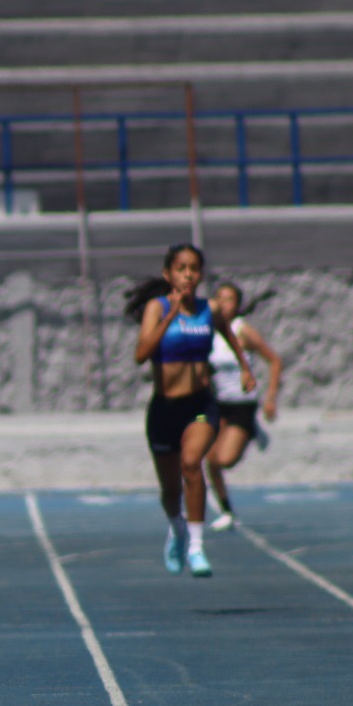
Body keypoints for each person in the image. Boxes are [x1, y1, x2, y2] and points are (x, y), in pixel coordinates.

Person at [125, 243, 252, 578]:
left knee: (192, 462)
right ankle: (178, 529)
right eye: (181, 268)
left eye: (194, 268)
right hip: (164, 408)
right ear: (169, 274)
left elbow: (230, 332)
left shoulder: (209, 310)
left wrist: (245, 368)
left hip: (198, 405)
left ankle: (196, 545)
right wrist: (170, 314)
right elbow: (141, 354)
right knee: (170, 491)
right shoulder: (157, 307)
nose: (188, 274)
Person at [204, 282, 283, 531]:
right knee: (210, 461)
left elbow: (274, 361)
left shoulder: (242, 331)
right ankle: (227, 511)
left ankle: (251, 430)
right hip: (218, 405)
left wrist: (270, 398)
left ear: (237, 305)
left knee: (225, 460)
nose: (224, 304)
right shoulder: (208, 332)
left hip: (242, 406)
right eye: (220, 299)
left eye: (229, 300)